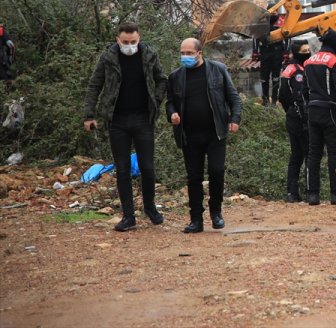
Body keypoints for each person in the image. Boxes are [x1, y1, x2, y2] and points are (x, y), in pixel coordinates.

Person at [83, 22, 167, 232]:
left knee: (147, 167)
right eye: (125, 42)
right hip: (117, 120)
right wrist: (89, 115)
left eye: (133, 42)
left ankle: (150, 208)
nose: (129, 46)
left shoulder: (149, 55)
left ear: (139, 39)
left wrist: (155, 101)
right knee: (122, 169)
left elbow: (161, 80)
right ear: (117, 40)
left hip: (143, 119)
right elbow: (95, 85)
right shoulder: (108, 58)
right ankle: (128, 216)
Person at [167, 38, 242, 233]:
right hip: (189, 135)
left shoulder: (218, 70)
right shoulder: (176, 76)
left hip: (215, 133)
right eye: (182, 53)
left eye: (189, 53)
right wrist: (172, 114)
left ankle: (216, 213)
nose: (185, 57)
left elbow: (233, 97)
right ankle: (196, 220)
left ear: (200, 53)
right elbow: (170, 102)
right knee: (194, 177)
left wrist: (235, 118)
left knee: (216, 172)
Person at [302, 29, 336, 205]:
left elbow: (304, 91)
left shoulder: (308, 62)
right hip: (331, 111)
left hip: (313, 111)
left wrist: (308, 107)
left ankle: (312, 194)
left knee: (313, 153)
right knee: (334, 153)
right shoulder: (334, 62)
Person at [278, 40, 311, 203]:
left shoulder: (290, 68)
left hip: (293, 116)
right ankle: (309, 191)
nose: (308, 52)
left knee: (296, 156)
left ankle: (293, 192)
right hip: (300, 118)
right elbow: (293, 96)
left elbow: (282, 97)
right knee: (307, 154)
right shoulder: (296, 71)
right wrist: (300, 115)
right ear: (297, 52)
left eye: (308, 49)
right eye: (304, 50)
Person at [252, 14, 290, 106]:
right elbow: (255, 37)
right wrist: (255, 51)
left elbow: (288, 36)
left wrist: (286, 51)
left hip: (277, 53)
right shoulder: (261, 25)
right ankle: (265, 99)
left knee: (276, 77)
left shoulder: (282, 23)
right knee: (264, 77)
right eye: (273, 11)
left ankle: (274, 100)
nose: (275, 14)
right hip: (265, 53)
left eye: (276, 12)